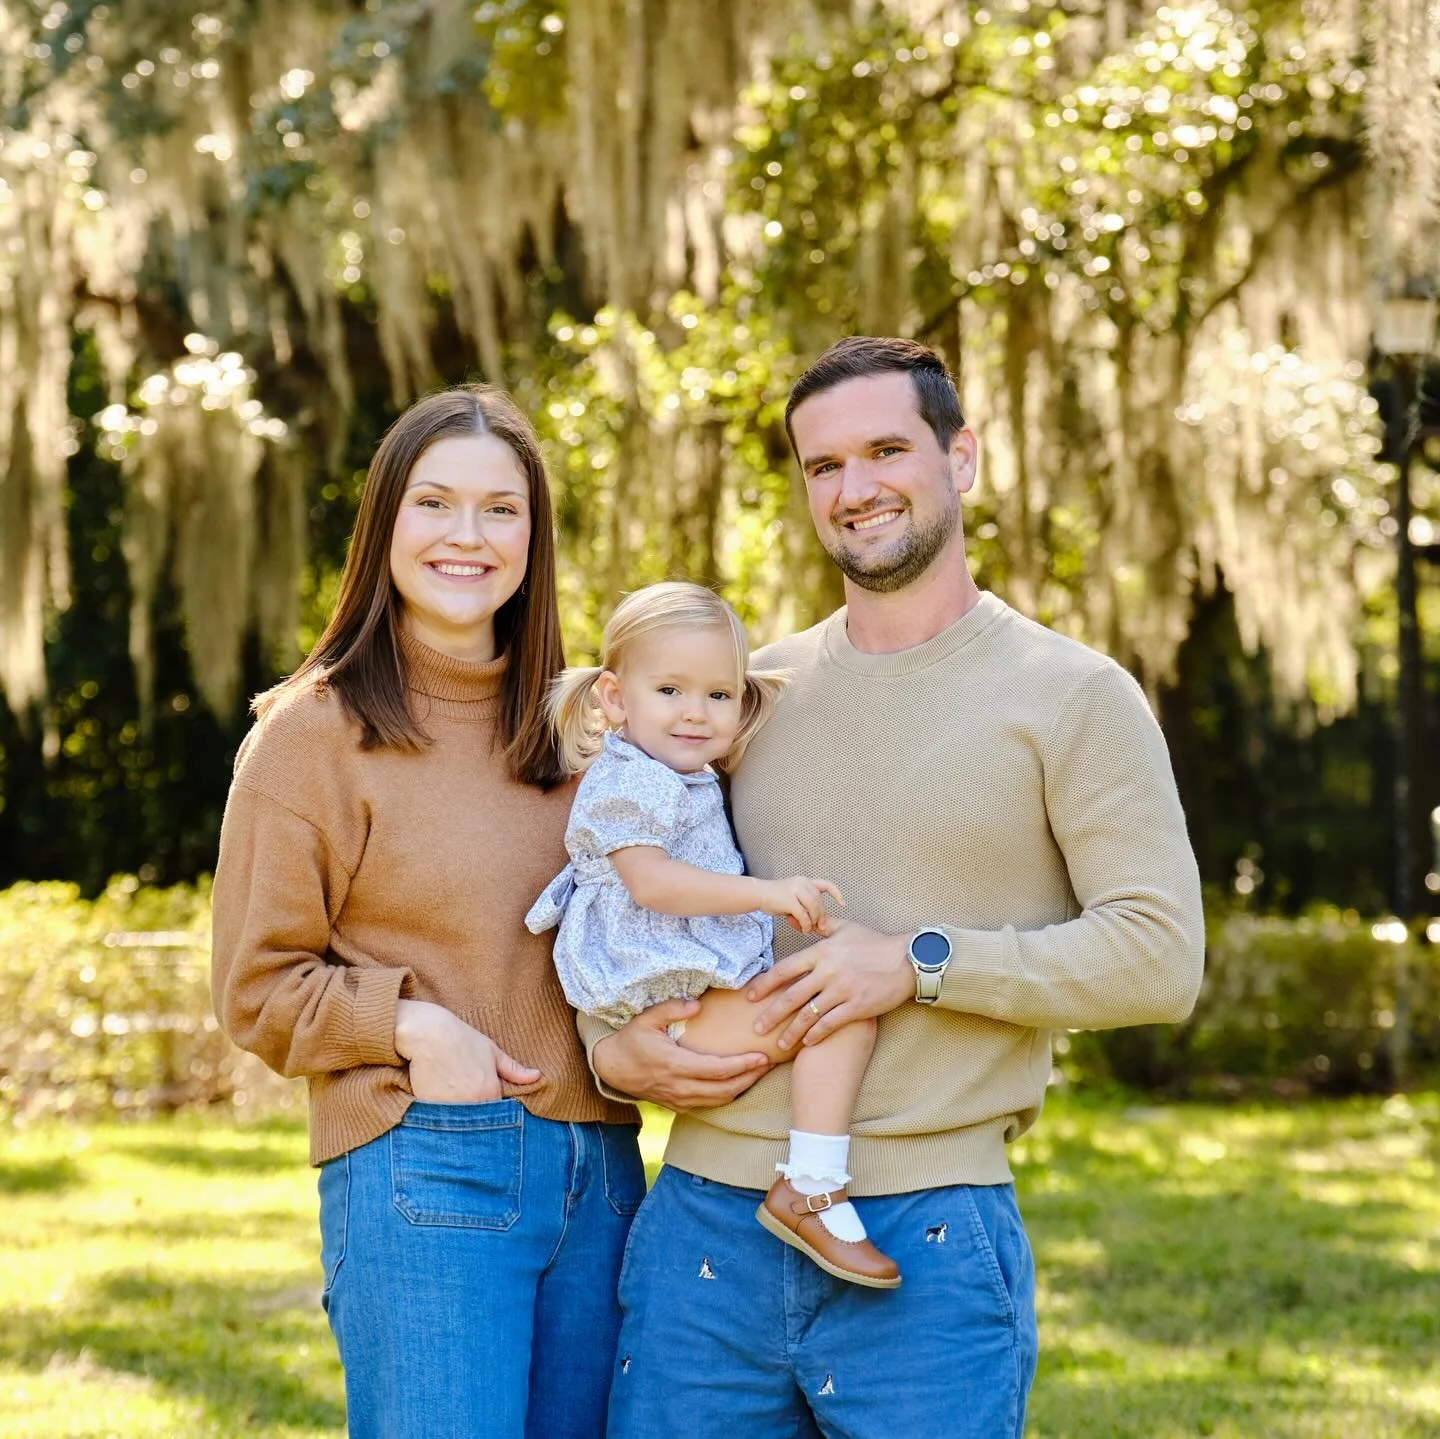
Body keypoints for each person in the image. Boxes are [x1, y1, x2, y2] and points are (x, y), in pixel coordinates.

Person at [586, 337, 1206, 1439]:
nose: (855, 486)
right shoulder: (742, 697)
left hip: (926, 1238)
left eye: (885, 449)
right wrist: (609, 1047)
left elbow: (1159, 955)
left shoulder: (1071, 695)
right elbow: (629, 887)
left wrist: (919, 963)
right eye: (823, 465)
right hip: (702, 1232)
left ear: (959, 458)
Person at [210, 384, 643, 1439]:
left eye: (501, 509)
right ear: (385, 524)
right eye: (435, 503)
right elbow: (256, 984)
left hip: (607, 1172)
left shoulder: (587, 725)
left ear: (533, 537)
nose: (468, 534)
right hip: (425, 1157)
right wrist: (412, 1026)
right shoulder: (313, 732)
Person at [525, 581, 900, 1288]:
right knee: (841, 1009)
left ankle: (811, 1182)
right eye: (670, 689)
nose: (696, 713)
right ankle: (813, 1187)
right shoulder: (631, 780)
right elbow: (653, 882)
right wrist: (767, 893)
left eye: (719, 696)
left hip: (674, 995)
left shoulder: (680, 774)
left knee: (836, 987)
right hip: (660, 1004)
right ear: (614, 697)